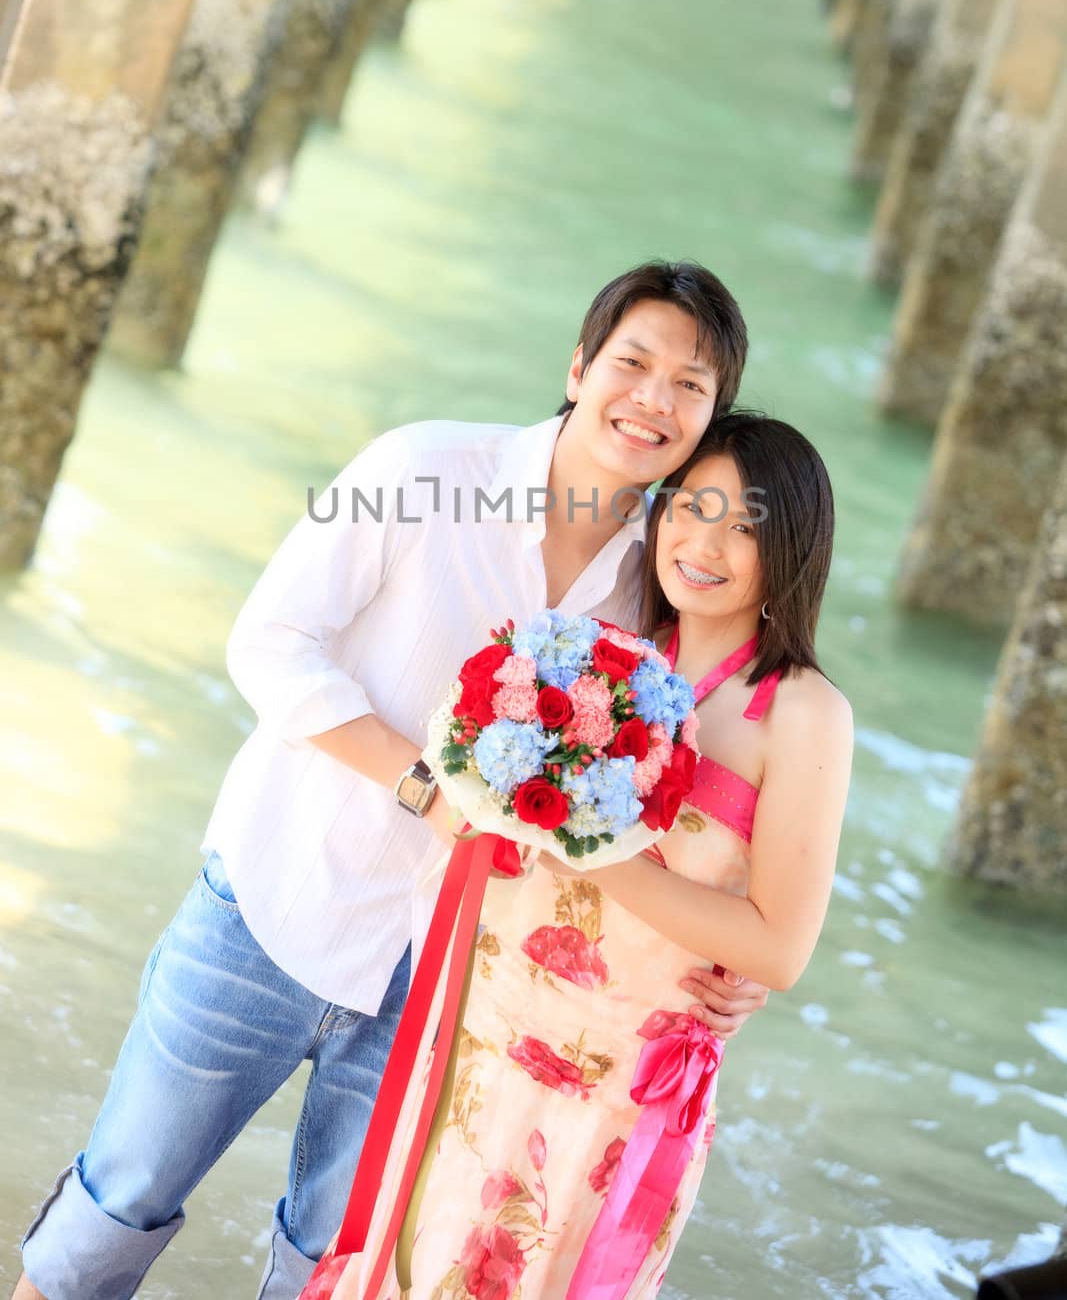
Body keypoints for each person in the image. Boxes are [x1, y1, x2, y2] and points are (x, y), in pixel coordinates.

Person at [15, 261, 771, 1300]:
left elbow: (690, 787)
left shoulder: (667, 584)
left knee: (337, 1264)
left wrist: (727, 958)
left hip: (453, 987)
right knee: (116, 1206)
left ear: (711, 418)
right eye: (632, 363)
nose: (653, 399)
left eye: (690, 385)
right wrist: (424, 785)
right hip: (274, 905)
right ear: (577, 365)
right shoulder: (423, 468)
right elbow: (269, 642)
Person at [310, 411, 853, 1300]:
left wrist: (596, 854)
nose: (703, 544)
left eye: (744, 527)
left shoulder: (798, 712)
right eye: (690, 508)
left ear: (790, 547)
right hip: (482, 1035)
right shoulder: (606, 652)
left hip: (609, 1091)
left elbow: (778, 950)